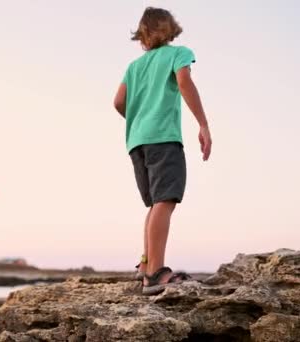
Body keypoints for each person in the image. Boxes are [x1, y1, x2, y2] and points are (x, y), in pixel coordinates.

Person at [113, 7, 212, 295]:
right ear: (170, 29)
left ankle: (146, 265)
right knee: (166, 201)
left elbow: (118, 102)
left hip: (137, 142)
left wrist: (139, 119)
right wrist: (203, 124)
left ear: (142, 35)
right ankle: (155, 274)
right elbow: (184, 82)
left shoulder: (134, 67)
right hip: (163, 139)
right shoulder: (178, 53)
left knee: (156, 203)